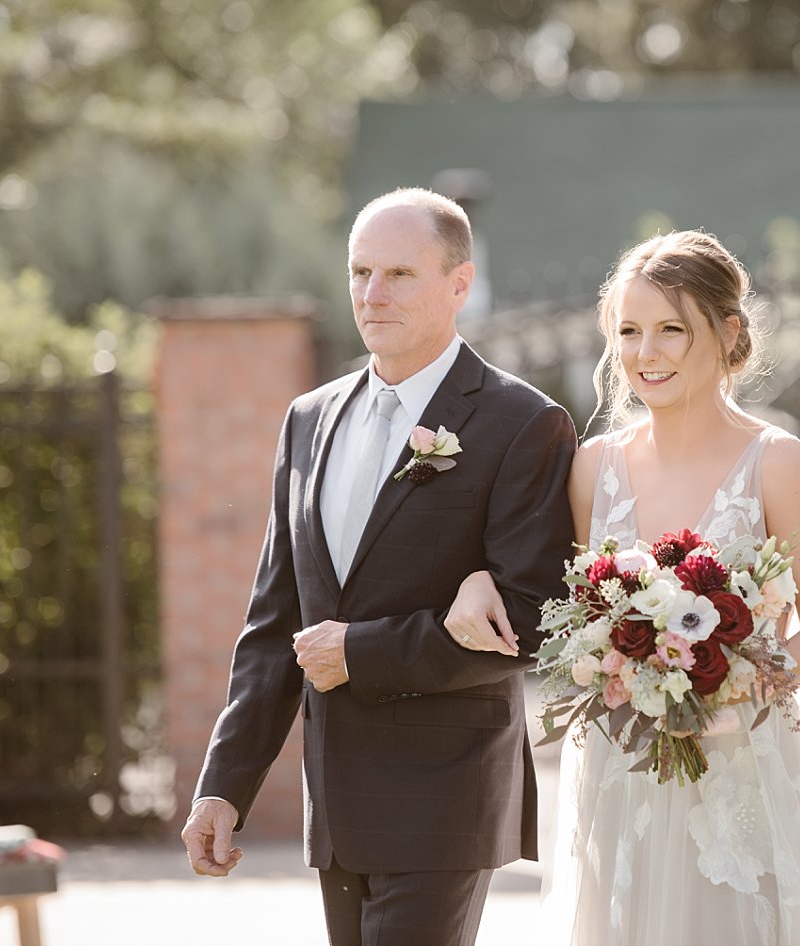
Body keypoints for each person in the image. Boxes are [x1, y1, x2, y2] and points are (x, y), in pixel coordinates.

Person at [443, 230, 800, 945]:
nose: (644, 353)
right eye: (628, 331)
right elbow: (538, 591)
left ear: (727, 332)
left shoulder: (780, 465)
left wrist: (723, 684)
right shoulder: (593, 468)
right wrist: (479, 581)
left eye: (669, 331)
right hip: (621, 771)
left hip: (744, 769)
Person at [182, 188, 578, 946]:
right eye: (360, 271)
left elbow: (531, 621)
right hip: (336, 801)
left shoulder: (521, 422)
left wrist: (357, 652)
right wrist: (223, 787)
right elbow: (274, 625)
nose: (372, 294)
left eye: (399, 273)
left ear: (459, 284)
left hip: (446, 794)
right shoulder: (307, 420)